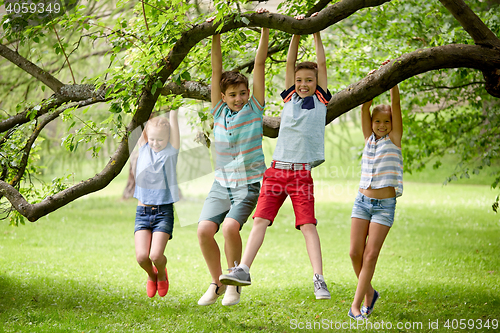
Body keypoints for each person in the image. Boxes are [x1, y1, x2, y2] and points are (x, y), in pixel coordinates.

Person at [219, 14, 332, 300]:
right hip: (276, 171)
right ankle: (243, 268)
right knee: (260, 221)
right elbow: (290, 64)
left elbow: (321, 64)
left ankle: (319, 279)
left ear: (316, 83)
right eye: (299, 80)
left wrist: (314, 33)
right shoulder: (290, 98)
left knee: (308, 225)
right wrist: (296, 32)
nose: (303, 83)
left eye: (309, 80)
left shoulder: (320, 101)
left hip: (301, 174)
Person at [197, 10, 269, 307]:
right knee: (203, 231)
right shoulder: (218, 113)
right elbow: (216, 72)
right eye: (232, 94)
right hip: (221, 183)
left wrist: (265, 29)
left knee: (229, 227)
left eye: (242, 93)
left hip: (248, 183)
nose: (238, 98)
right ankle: (216, 283)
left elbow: (261, 64)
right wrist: (215, 33)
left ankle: (233, 282)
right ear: (223, 97)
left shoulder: (254, 109)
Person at [348, 60, 403, 320]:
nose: (381, 125)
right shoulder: (368, 138)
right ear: (371, 123)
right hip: (362, 201)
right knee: (354, 253)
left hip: (384, 206)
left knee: (370, 255)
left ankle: (357, 305)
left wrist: (391, 79)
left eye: (386, 121)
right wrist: (372, 81)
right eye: (377, 121)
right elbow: (365, 107)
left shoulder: (394, 139)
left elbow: (396, 108)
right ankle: (370, 292)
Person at [133, 110, 180, 298]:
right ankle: (151, 275)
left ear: (168, 139)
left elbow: (174, 118)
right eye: (152, 139)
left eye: (160, 140)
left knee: (156, 256)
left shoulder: (171, 151)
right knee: (142, 257)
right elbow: (138, 120)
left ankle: (161, 272)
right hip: (142, 212)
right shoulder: (144, 147)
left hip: (163, 212)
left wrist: (174, 110)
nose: (155, 143)